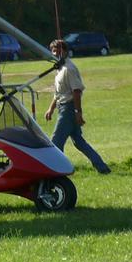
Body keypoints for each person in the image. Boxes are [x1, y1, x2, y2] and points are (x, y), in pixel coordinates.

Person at [43, 39, 110, 174]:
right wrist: (51, 108)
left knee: (56, 142)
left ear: (65, 51)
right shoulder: (59, 68)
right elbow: (58, 93)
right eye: (54, 51)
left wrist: (77, 112)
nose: (56, 53)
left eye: (59, 50)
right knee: (79, 142)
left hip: (69, 109)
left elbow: (76, 92)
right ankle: (102, 168)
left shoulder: (69, 69)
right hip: (63, 107)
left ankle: (57, 171)